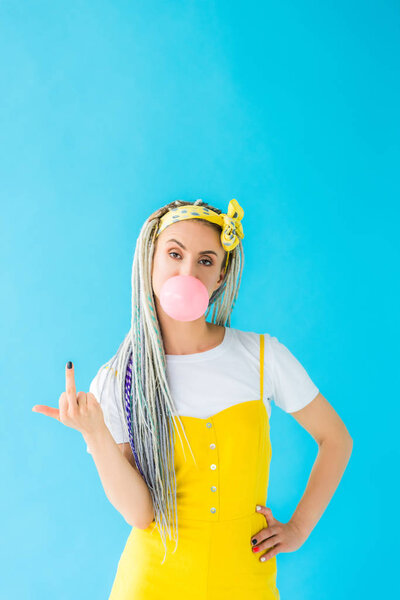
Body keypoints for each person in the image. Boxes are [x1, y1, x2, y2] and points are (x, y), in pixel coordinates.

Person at [32, 198, 353, 599]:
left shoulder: (263, 357)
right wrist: (94, 434)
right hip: (152, 583)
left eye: (205, 260)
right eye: (174, 253)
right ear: (150, 263)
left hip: (246, 581)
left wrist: (300, 528)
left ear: (221, 276)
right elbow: (141, 514)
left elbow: (336, 439)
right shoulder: (117, 379)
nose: (188, 271)